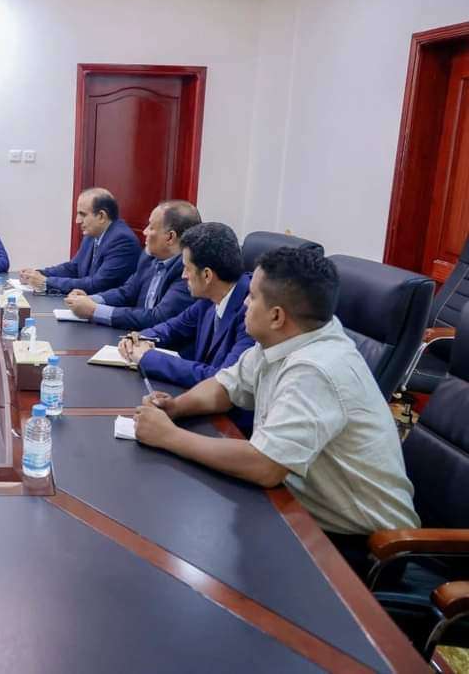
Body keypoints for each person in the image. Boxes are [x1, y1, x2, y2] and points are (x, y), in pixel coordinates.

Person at [133, 247, 420, 576]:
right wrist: (176, 407)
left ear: (277, 316)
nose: (244, 302)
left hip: (365, 548)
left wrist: (170, 437)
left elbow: (265, 466)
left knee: (206, 561)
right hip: (301, 509)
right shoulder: (287, 338)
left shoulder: (317, 369)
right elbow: (225, 387)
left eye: (252, 296)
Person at [119, 222, 254, 391]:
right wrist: (139, 339)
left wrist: (148, 357)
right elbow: (172, 329)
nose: (183, 276)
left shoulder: (251, 312)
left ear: (207, 275)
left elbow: (220, 380)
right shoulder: (209, 299)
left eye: (187, 268)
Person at [61, 199, 199, 327]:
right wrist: (91, 300)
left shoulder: (187, 271)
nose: (144, 232)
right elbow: (126, 293)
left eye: (151, 228)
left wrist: (94, 310)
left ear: (170, 237)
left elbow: (157, 318)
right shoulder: (149, 258)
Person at [19, 188, 140, 294]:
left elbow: (97, 285)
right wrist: (39, 274)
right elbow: (74, 268)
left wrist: (46, 282)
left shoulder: (122, 241)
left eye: (83, 214)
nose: (77, 221)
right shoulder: (93, 233)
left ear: (101, 216)